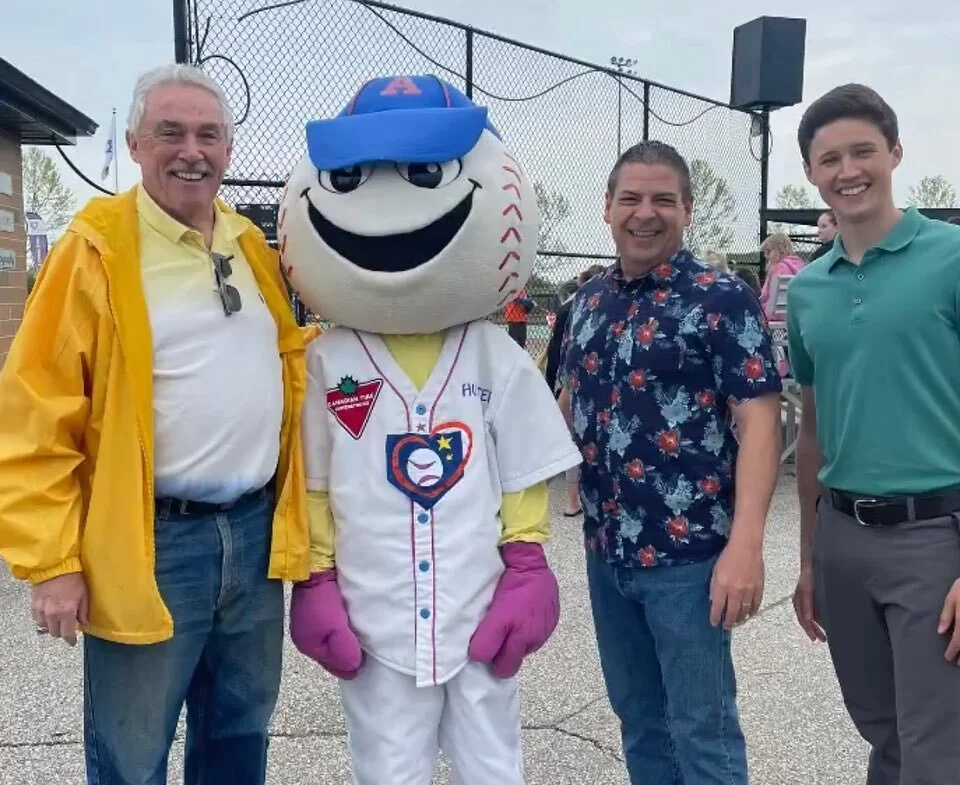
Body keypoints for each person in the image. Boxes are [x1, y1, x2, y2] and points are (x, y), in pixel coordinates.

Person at [0, 64, 310, 785]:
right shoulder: (96, 248)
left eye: (208, 134)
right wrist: (52, 562)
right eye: (170, 132)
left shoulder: (251, 245)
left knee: (238, 736)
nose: (190, 150)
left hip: (254, 535)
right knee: (132, 753)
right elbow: (33, 413)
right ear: (136, 143)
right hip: (152, 540)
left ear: (230, 150)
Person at [276, 74, 582, 785]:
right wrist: (315, 576)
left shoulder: (492, 354)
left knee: (492, 763)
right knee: (387, 768)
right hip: (372, 612)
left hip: (479, 601)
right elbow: (313, 483)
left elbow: (522, 473)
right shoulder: (327, 361)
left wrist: (529, 562)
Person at [787, 83, 960, 785]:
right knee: (886, 738)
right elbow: (814, 431)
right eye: (830, 159)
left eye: (862, 151)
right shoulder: (809, 289)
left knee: (936, 756)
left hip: (938, 537)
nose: (847, 171)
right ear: (812, 173)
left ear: (895, 152)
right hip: (844, 537)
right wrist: (809, 556)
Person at [558, 140, 783, 784]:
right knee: (640, 723)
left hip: (691, 561)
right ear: (607, 208)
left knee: (702, 731)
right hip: (608, 554)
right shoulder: (588, 305)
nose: (645, 213)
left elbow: (760, 420)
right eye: (630, 198)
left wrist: (747, 545)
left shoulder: (721, 299)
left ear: (687, 209)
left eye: (663, 199)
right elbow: (568, 407)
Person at [545, 264, 606, 517]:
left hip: (564, 374)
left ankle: (570, 498)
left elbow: (557, 346)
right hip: (578, 378)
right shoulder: (588, 306)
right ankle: (572, 499)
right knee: (574, 437)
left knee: (567, 437)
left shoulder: (573, 306)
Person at [758, 232, 805, 321]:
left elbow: (766, 296)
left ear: (779, 249)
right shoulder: (800, 266)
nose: (766, 256)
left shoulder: (778, 268)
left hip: (774, 314)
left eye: (768, 251)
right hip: (795, 314)